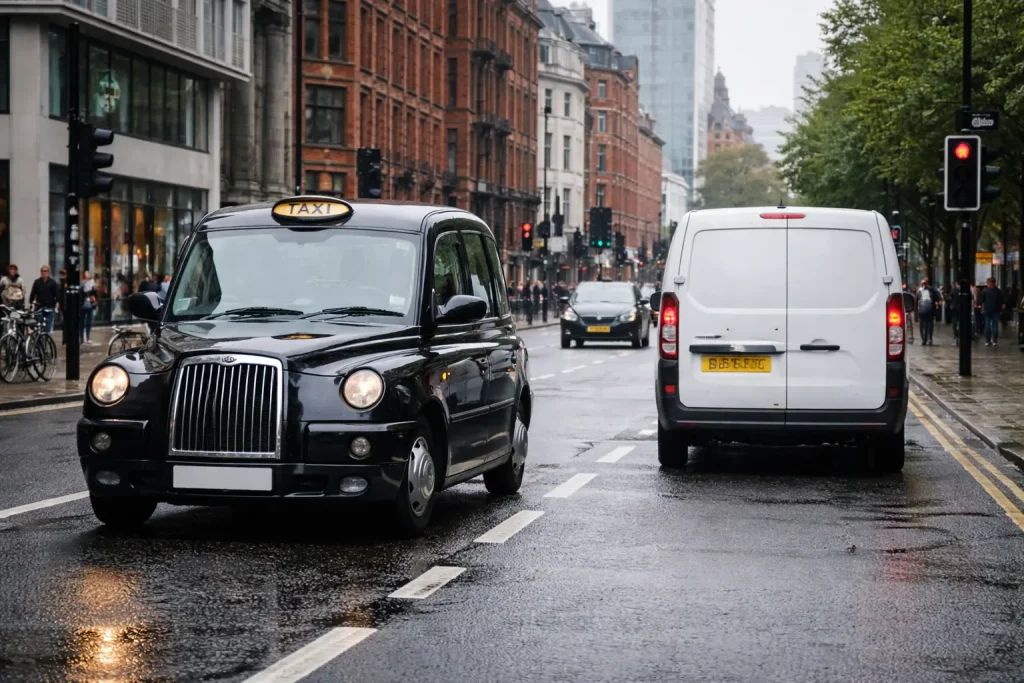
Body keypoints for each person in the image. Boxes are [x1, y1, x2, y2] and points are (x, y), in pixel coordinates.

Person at [29, 265, 60, 333]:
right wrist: (31, 302)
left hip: (50, 306)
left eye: (45, 271)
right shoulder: (37, 282)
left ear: (49, 272)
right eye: (42, 271)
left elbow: (56, 294)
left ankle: (46, 337)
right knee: (38, 325)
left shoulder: (53, 282)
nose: (44, 273)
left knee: (48, 326)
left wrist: (57, 302)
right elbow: (33, 293)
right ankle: (39, 337)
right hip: (39, 306)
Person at [980, 277, 1005, 346]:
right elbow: (1002, 301)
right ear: (994, 282)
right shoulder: (998, 291)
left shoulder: (984, 291)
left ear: (988, 283)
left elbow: (981, 300)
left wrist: (981, 308)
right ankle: (995, 341)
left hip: (987, 310)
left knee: (987, 325)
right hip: (996, 310)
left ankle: (988, 341)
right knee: (995, 326)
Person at [916, 278, 941, 345]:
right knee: (929, 324)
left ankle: (924, 339)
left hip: (922, 310)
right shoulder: (933, 290)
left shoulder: (919, 291)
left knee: (922, 325)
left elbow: (917, 301)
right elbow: (938, 298)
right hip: (930, 309)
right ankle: (929, 339)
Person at [80, 270, 97, 345]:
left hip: (90, 304)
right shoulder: (82, 283)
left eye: (88, 273)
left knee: (89, 322)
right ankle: (81, 338)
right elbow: (81, 291)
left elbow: (94, 293)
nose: (87, 275)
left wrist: (94, 297)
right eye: (86, 274)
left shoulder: (92, 282)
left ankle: (88, 337)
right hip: (83, 304)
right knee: (82, 322)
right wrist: (83, 284)